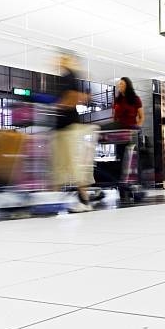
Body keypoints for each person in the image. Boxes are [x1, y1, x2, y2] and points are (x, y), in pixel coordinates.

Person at [52, 53, 93, 212]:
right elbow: (80, 97)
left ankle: (84, 201)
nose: (57, 60)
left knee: (72, 165)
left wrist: (58, 105)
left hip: (69, 127)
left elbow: (74, 98)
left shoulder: (69, 76)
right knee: (58, 165)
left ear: (68, 60)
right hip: (61, 128)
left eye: (61, 58)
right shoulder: (65, 77)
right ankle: (53, 201)